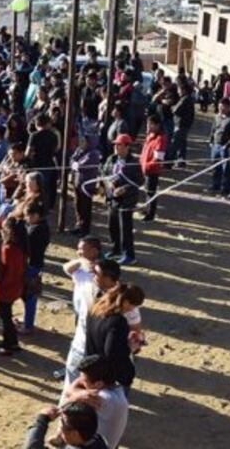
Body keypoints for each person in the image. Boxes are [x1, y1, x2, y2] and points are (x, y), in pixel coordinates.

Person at [57, 238, 105, 385]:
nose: (79, 251)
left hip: (94, 315)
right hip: (81, 312)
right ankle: (75, 368)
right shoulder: (80, 264)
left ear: (94, 251)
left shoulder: (101, 269)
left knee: (89, 344)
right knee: (79, 340)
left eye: (82, 248)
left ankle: (87, 373)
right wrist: (79, 262)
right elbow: (66, 268)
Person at [85, 283, 145, 393]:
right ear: (126, 302)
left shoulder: (94, 309)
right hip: (107, 377)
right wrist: (130, 348)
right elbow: (113, 353)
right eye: (134, 306)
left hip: (91, 368)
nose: (133, 310)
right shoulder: (118, 322)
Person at [58, 355, 128, 449]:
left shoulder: (103, 399)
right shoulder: (117, 387)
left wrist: (74, 396)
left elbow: (65, 407)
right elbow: (73, 387)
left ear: (99, 384)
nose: (82, 382)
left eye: (85, 382)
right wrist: (78, 393)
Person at [100, 134, 142, 265]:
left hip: (127, 200)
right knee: (112, 224)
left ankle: (129, 255)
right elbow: (103, 173)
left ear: (127, 147)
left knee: (125, 228)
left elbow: (139, 181)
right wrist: (108, 184)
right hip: (112, 197)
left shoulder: (134, 163)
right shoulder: (111, 159)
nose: (116, 147)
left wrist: (124, 188)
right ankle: (116, 249)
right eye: (115, 145)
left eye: (119, 145)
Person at [0, 218, 27, 356]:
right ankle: (13, 342)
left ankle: (8, 345)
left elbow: (0, 271)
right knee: (7, 316)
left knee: (5, 319)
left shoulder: (7, 249)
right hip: (16, 287)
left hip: (4, 289)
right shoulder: (21, 246)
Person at [19, 201, 50, 335]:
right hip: (36, 264)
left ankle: (28, 325)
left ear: (36, 215)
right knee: (29, 295)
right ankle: (27, 320)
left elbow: (26, 245)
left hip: (32, 265)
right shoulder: (43, 226)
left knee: (29, 296)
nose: (26, 219)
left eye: (28, 216)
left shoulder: (36, 230)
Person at [23, 402, 108, 449]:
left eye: (62, 424)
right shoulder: (97, 439)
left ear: (75, 434)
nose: (60, 428)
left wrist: (42, 419)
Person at [138, 114, 167, 222]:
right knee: (146, 190)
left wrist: (147, 166)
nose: (148, 126)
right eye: (148, 124)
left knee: (151, 192)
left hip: (152, 170)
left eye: (151, 124)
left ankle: (151, 214)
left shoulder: (160, 139)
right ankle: (147, 208)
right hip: (145, 168)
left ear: (157, 125)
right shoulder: (150, 135)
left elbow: (158, 159)